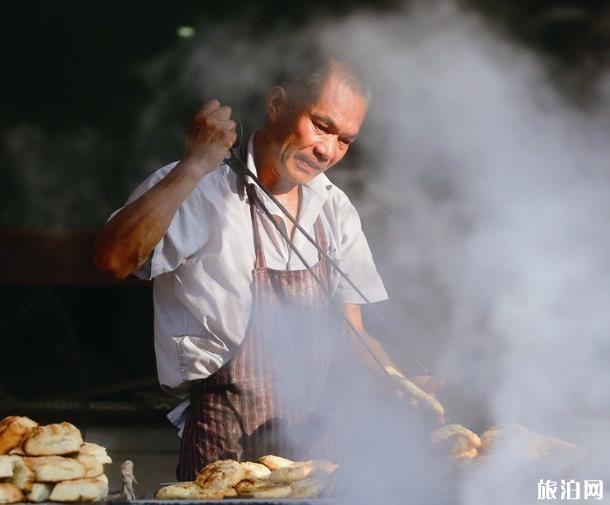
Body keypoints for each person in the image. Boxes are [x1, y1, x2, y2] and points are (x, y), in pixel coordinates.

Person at [95, 49, 445, 480]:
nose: (327, 150)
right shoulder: (204, 190)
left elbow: (351, 330)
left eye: (345, 140)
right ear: (277, 104)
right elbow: (112, 259)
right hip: (223, 443)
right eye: (321, 126)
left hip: (315, 444)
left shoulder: (334, 209)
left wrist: (396, 381)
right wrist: (197, 162)